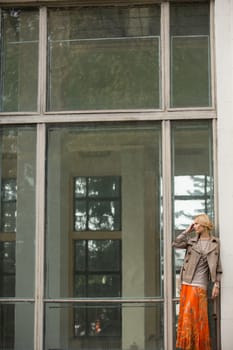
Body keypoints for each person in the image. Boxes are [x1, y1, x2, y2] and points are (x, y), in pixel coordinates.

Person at [172, 213, 222, 350]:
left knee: (199, 318)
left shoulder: (215, 243)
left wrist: (216, 285)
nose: (194, 226)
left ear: (204, 225)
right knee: (188, 317)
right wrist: (187, 231)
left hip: (201, 285)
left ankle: (200, 347)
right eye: (193, 224)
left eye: (197, 224)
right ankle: (188, 346)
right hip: (187, 283)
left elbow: (218, 267)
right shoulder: (192, 241)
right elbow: (175, 244)